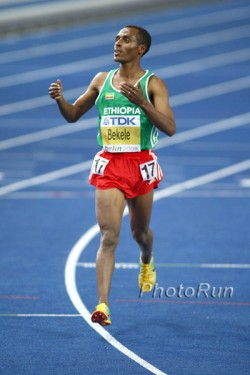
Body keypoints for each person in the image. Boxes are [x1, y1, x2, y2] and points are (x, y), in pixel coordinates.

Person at [49, 25, 176, 326]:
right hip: (109, 164)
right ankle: (102, 305)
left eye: (126, 40)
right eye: (117, 39)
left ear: (141, 48)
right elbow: (73, 114)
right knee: (109, 236)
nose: (117, 44)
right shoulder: (102, 80)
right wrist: (59, 99)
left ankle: (147, 260)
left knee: (139, 234)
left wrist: (142, 103)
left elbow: (170, 127)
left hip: (140, 164)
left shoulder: (153, 84)